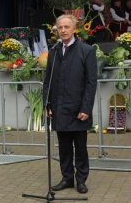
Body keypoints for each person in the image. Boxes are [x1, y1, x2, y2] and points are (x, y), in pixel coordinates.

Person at [43, 14, 97, 194]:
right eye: (60, 27)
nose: (63, 30)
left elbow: (91, 82)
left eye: (67, 27)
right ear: (57, 30)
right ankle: (67, 179)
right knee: (64, 148)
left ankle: (81, 179)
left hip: (78, 110)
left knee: (80, 148)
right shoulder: (54, 51)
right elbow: (47, 82)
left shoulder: (86, 50)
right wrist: (47, 105)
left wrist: (86, 108)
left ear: (74, 29)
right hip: (59, 109)